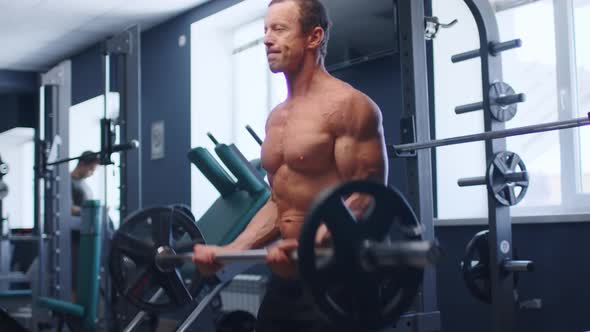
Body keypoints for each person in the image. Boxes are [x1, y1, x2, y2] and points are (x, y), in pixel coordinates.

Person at [193, 0, 388, 330]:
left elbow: (364, 196)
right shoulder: (276, 118)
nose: (267, 39)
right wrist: (231, 251)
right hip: (289, 275)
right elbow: (278, 202)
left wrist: (311, 244)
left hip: (340, 276)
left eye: (279, 29)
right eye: (265, 30)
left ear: (313, 37)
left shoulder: (350, 106)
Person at [70, 151, 99, 216]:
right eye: (91, 169)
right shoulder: (68, 182)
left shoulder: (85, 186)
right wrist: (92, 211)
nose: (92, 174)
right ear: (82, 164)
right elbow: (68, 208)